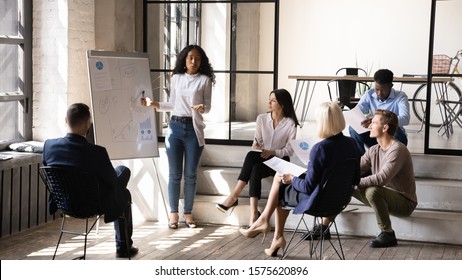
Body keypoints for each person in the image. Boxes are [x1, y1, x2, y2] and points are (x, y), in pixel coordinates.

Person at [239, 101, 360, 256]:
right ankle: (270, 230)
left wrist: (292, 179)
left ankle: (268, 227)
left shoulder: (320, 148)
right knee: (282, 181)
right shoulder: (352, 144)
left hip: (319, 202)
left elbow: (308, 187)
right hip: (340, 201)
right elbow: (355, 179)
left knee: (281, 183)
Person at [42, 103, 138, 258]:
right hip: (92, 205)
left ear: (66, 120)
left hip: (65, 203)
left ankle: (124, 246)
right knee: (124, 182)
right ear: (88, 124)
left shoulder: (49, 146)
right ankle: (123, 247)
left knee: (119, 179)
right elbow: (111, 183)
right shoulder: (97, 153)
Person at [141, 45, 215, 229]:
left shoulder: (205, 80)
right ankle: (174, 214)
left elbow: (208, 106)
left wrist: (201, 108)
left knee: (190, 175)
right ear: (184, 59)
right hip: (174, 127)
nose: (194, 62)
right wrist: (154, 104)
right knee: (174, 175)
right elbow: (172, 103)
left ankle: (187, 214)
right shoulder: (177, 78)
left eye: (197, 59)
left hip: (193, 129)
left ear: (201, 61)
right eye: (190, 58)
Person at [216, 89, 299, 226]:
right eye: (269, 99)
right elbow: (257, 142)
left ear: (282, 104)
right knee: (253, 163)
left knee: (253, 162)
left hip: (280, 161)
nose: (269, 102)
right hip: (263, 156)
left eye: (273, 100)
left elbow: (289, 151)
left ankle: (234, 196)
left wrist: (273, 152)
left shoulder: (290, 123)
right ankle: (253, 213)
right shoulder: (262, 118)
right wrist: (257, 145)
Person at [353, 109, 417, 247]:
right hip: (384, 197)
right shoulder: (373, 150)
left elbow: (382, 179)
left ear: (385, 127)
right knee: (341, 183)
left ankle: (388, 233)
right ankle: (325, 225)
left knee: (373, 191)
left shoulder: (397, 149)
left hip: (404, 202)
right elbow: (355, 170)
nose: (369, 126)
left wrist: (354, 181)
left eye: (373, 123)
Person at [349, 69, 410, 155]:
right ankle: (361, 161)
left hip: (394, 137)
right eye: (377, 89)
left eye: (383, 90)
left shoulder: (400, 97)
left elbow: (405, 118)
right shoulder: (369, 94)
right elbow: (357, 111)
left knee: (395, 129)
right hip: (374, 137)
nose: (379, 93)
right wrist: (361, 120)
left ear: (391, 86)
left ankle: (392, 156)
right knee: (353, 128)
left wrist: (378, 120)